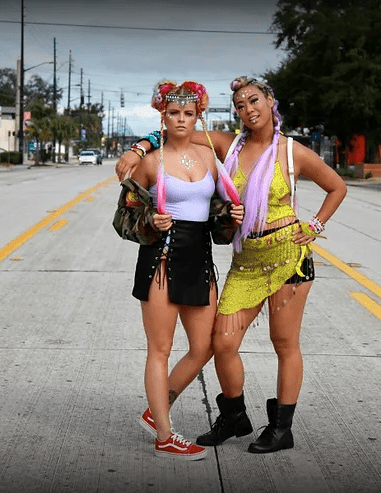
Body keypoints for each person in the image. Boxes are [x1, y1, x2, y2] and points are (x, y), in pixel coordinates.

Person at [117, 76, 347, 454]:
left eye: (254, 100)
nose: (247, 109)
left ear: (270, 100)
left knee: (284, 342)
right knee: (222, 342)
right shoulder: (228, 145)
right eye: (240, 105)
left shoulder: (293, 152)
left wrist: (316, 225)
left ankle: (281, 428)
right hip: (247, 262)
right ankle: (234, 416)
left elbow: (337, 186)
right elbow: (178, 129)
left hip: (288, 258)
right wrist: (139, 147)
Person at [124, 79, 243, 460]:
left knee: (205, 346)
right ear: (163, 115)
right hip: (161, 259)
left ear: (198, 117)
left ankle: (156, 407)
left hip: (199, 259)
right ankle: (164, 435)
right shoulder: (150, 162)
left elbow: (216, 216)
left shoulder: (208, 157)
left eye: (188, 113)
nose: (180, 119)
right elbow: (125, 214)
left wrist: (231, 215)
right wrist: (149, 221)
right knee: (159, 349)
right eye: (173, 112)